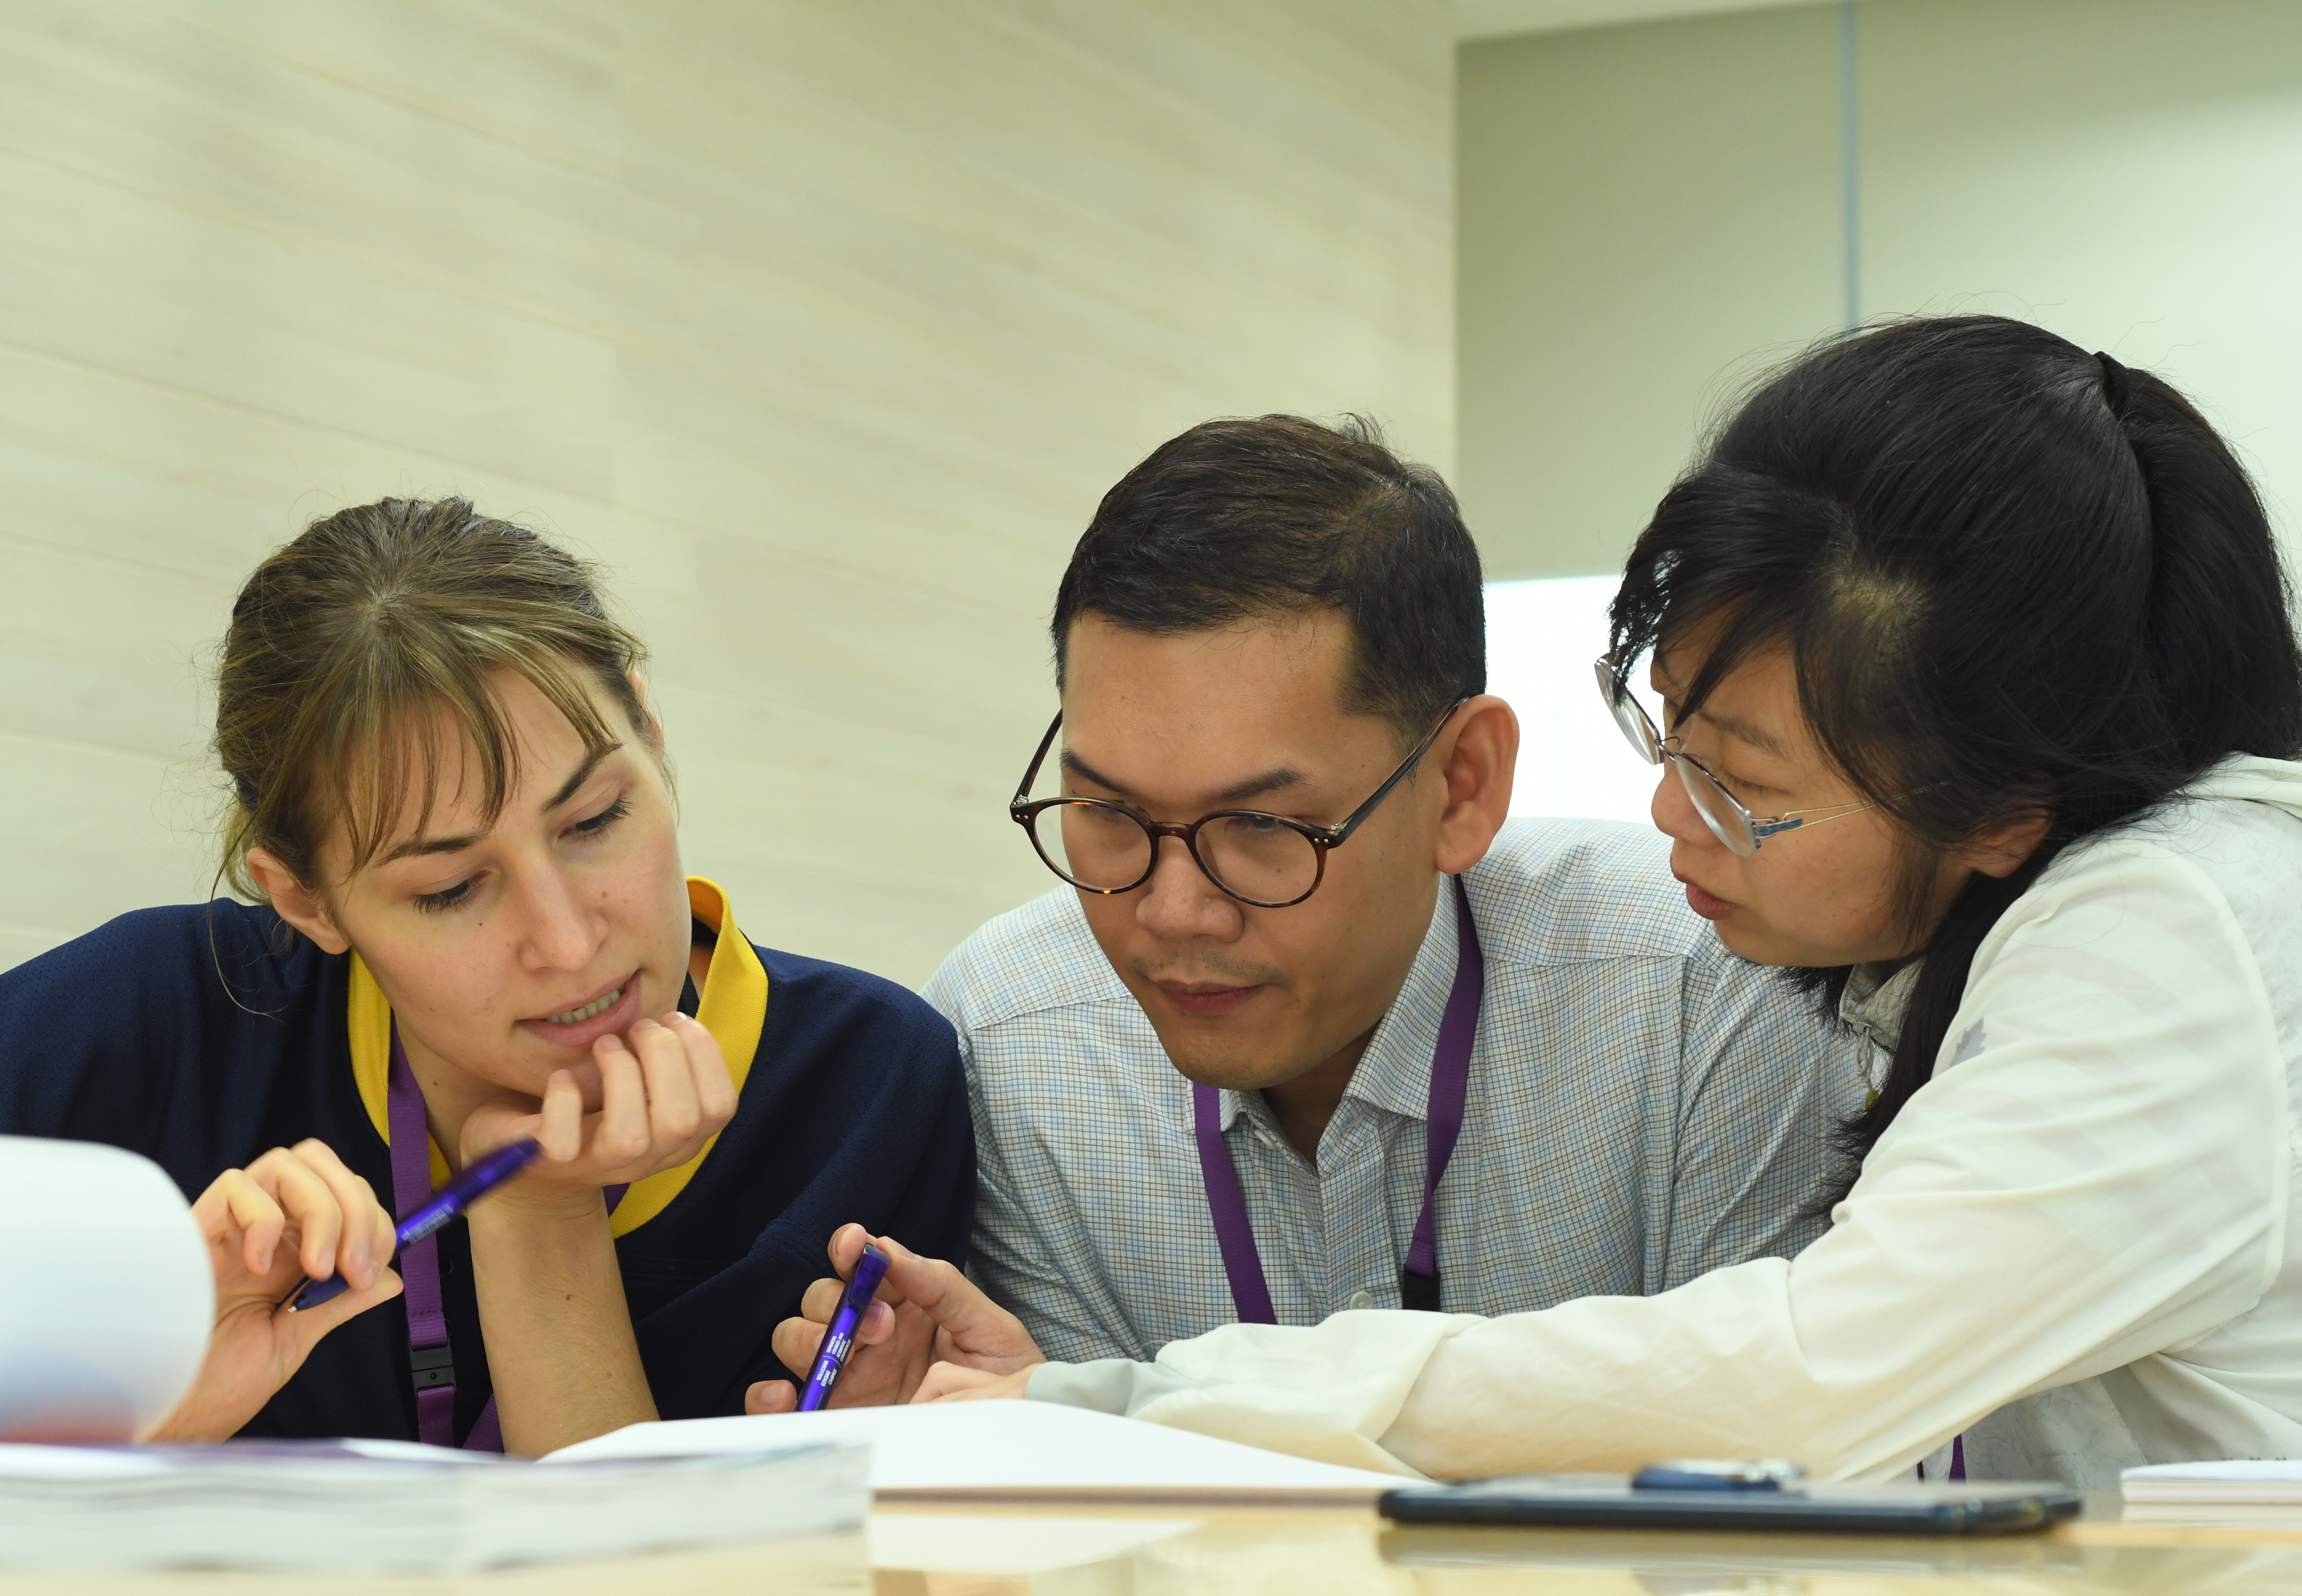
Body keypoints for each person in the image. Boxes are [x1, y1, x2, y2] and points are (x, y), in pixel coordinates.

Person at [828, 316, 2302, 1492]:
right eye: (1667, 741)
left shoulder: (2175, 928)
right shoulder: (1973, 945)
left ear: (2000, 806)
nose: (1668, 814)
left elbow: (1793, 1384)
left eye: (1736, 783)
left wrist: (1126, 1402)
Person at [745, 414, 1857, 1414]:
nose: (1171, 914)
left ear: (1462, 784)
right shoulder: (1017, 1039)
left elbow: (1781, 1497)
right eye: (1107, 812)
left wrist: (1119, 1427)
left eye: (1265, 830)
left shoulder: (1706, 998)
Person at [0, 498, 974, 1455]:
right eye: (452, 889)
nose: (565, 941)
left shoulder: (871, 1082)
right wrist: (137, 1410)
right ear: (307, 901)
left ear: (651, 736)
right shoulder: (171, 1016)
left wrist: (537, 1208)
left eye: (596, 820)